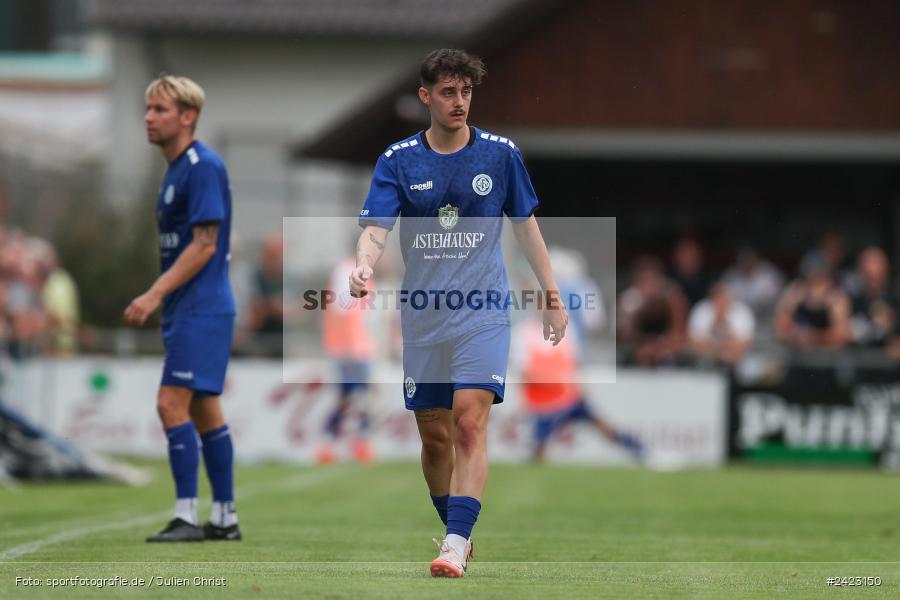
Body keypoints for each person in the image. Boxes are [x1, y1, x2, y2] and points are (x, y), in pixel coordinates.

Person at [349, 48, 567, 578]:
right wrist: (363, 265)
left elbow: (526, 226)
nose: (459, 102)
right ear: (426, 96)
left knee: (470, 420)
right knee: (435, 435)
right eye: (448, 92)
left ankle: (453, 543)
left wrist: (552, 295)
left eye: (466, 92)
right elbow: (376, 227)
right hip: (424, 317)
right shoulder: (398, 160)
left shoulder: (500, 155)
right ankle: (456, 529)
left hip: (484, 311)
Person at [124, 75, 240, 542]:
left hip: (202, 308)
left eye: (160, 110)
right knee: (205, 410)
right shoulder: (175, 170)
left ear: (188, 116)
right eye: (148, 109)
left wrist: (154, 293)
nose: (149, 117)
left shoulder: (202, 165)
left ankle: (188, 517)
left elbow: (205, 245)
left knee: (170, 402)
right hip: (189, 308)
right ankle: (225, 518)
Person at [318, 256, 376, 464]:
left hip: (357, 346)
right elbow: (342, 308)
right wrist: (352, 347)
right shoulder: (348, 271)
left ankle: (353, 443)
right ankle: (331, 443)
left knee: (357, 397)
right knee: (350, 398)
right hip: (350, 348)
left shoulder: (360, 272)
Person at [617, 257, 688, 366]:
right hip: (636, 348)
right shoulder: (628, 301)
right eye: (646, 281)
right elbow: (624, 334)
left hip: (664, 347)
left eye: (654, 281)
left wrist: (660, 346)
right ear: (638, 282)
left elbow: (678, 333)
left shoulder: (672, 298)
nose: (650, 286)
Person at [687, 282, 755, 367]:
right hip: (706, 358)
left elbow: (744, 344)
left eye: (725, 299)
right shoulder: (701, 310)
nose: (722, 303)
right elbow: (694, 342)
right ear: (712, 299)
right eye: (718, 299)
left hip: (735, 359)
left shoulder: (741, 311)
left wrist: (717, 346)